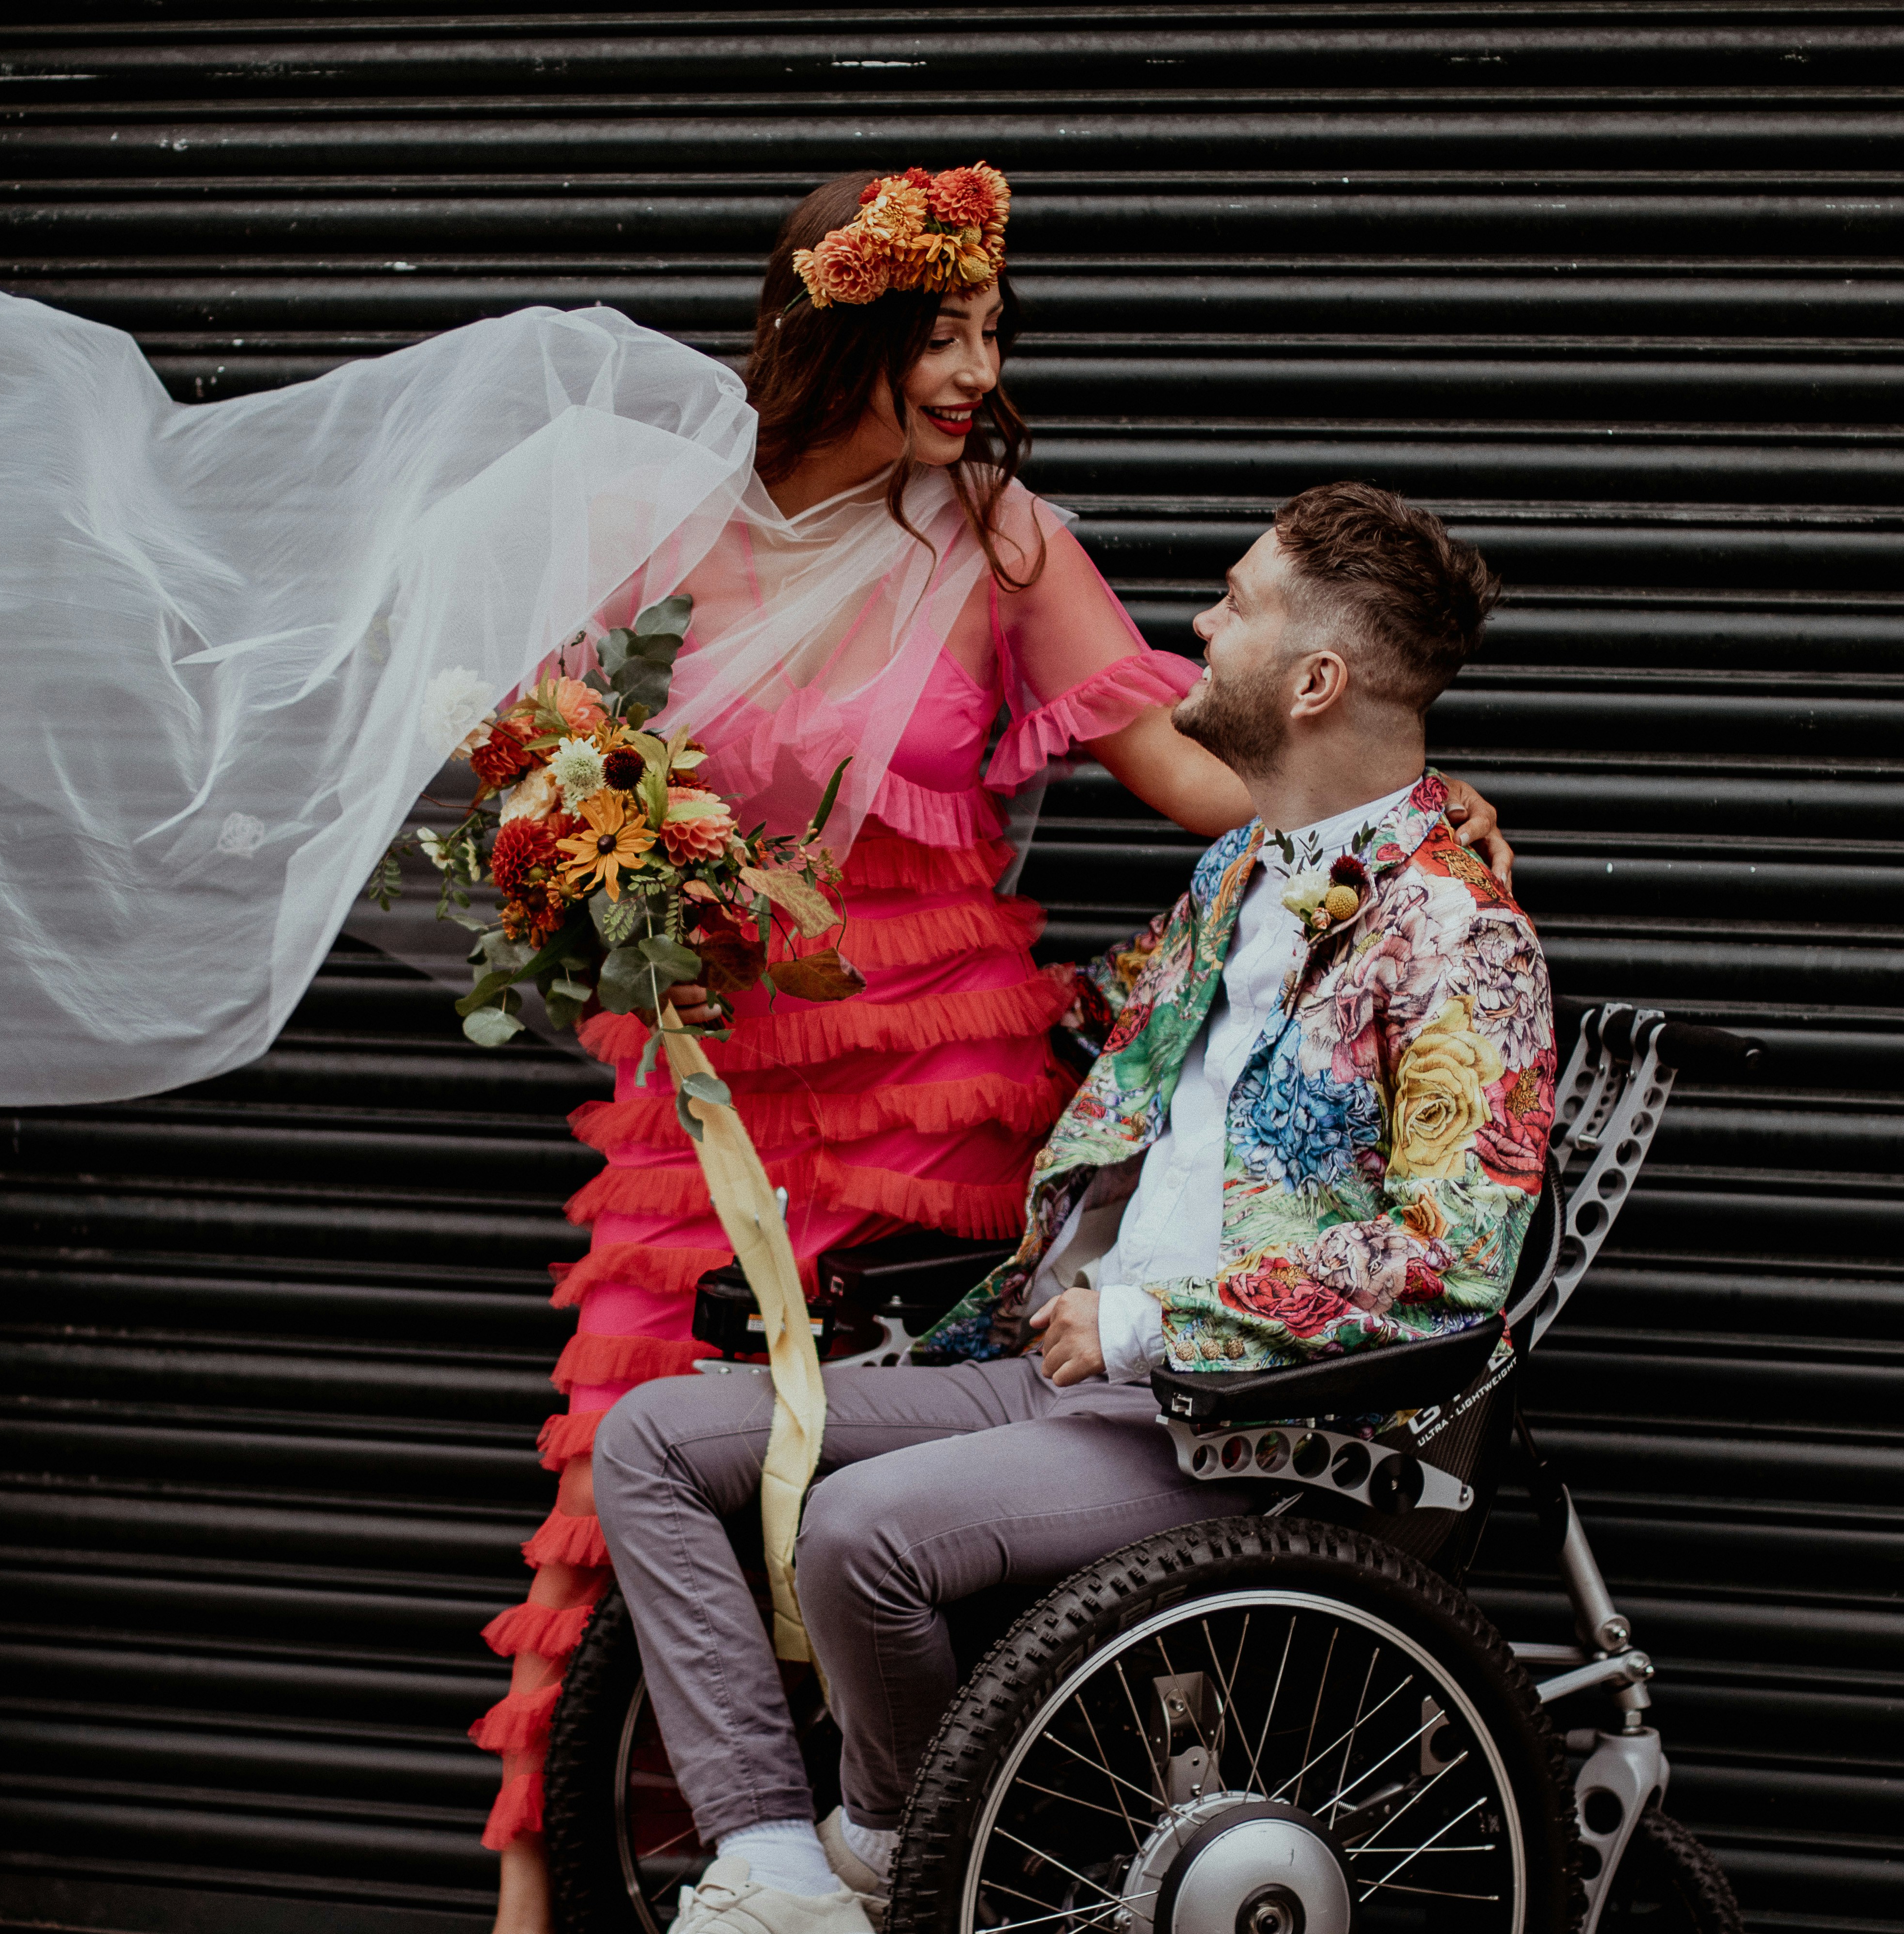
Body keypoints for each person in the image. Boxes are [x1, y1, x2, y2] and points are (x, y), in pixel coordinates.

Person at [468, 169, 1516, 1924]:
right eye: (943, 332)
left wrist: (1419, 831)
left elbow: (1210, 776)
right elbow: (545, 763)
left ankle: (936, 1864)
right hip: (724, 1087)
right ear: (844, 332)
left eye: (990, 331)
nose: (979, 366)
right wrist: (601, 873)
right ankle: (648, 1881)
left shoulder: (1003, 539)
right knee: (623, 1462)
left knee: (903, 1534)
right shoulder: (665, 533)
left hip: (937, 1079)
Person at [590, 481, 1557, 1934]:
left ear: (1314, 681)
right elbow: (1091, 1027)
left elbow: (1451, 1266)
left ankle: (889, 1857)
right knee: (657, 1436)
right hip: (1064, 1376)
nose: (1197, 627)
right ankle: (778, 1864)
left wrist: (1146, 1319)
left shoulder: (1462, 934)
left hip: (1247, 1426)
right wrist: (752, 935)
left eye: (1233, 604)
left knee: (861, 1531)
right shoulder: (1239, 874)